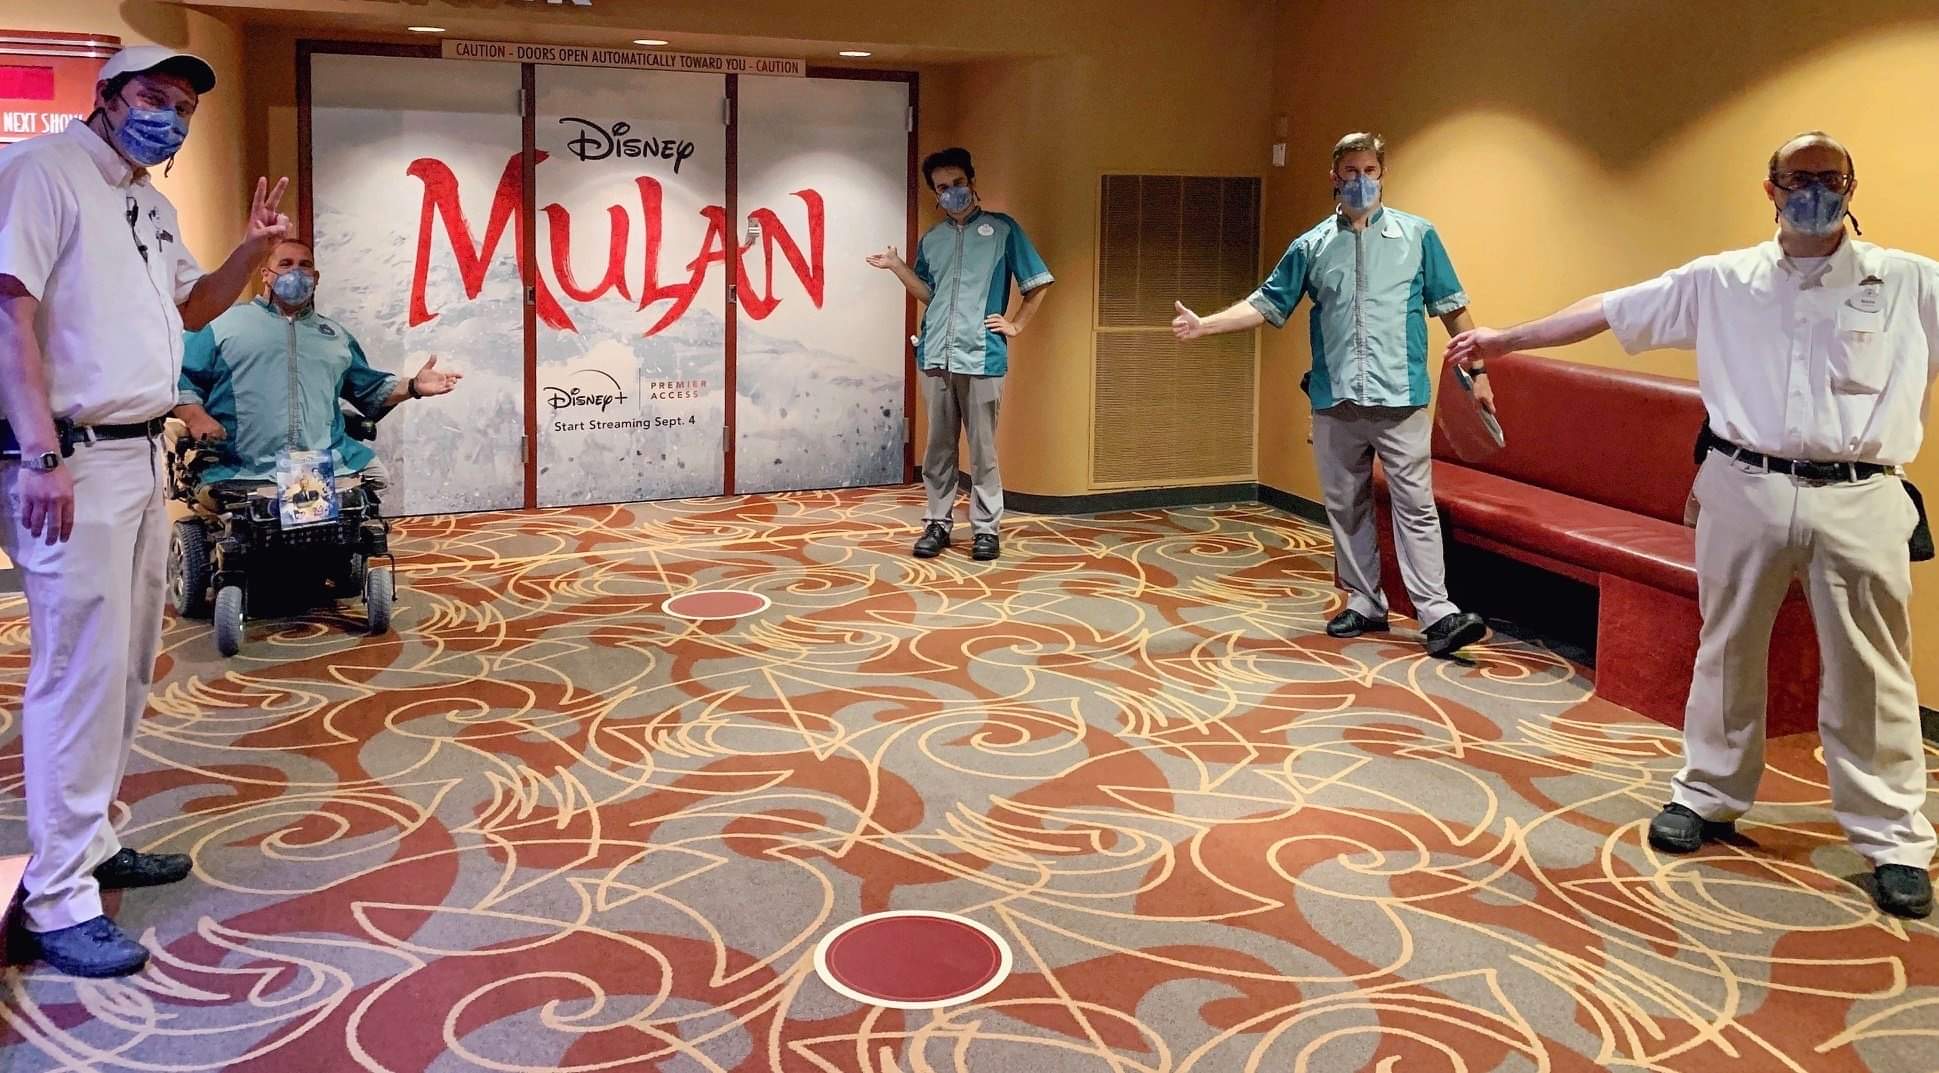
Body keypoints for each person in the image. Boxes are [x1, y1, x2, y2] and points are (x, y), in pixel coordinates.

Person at [1444, 131, 1936, 920]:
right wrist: (1505, 339)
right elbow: (1608, 310)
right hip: (1743, 484)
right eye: (1798, 178)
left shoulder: (1909, 281)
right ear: (1770, 189)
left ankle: (1893, 839)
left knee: (1871, 670)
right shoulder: (1722, 280)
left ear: (1852, 186)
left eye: (1830, 177)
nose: (1815, 191)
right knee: (1725, 646)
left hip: (1861, 492)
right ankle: (1707, 794)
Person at [0, 45, 294, 976]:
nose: (169, 116)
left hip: (138, 454)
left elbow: (195, 307)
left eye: (183, 107)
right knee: (76, 671)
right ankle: (55, 896)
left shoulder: (147, 202)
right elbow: (8, 314)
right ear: (107, 96)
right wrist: (39, 452)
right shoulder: (41, 171)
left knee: (125, 666)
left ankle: (86, 843)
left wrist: (251, 251)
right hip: (70, 458)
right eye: (153, 96)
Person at [1173, 132, 1491, 658]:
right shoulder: (1312, 245)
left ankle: (1437, 613)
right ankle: (1365, 602)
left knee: (1415, 507)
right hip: (1335, 398)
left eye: (1370, 171)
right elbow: (1266, 304)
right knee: (1346, 506)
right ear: (1334, 177)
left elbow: (1453, 308)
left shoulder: (1418, 236)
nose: (1361, 181)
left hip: (1401, 397)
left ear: (1382, 174)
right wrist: (1205, 325)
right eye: (1351, 172)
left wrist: (1478, 372)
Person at [866, 147, 1054, 562]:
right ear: (935, 194)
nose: (951, 192)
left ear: (971, 182)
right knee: (938, 449)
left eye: (957, 183)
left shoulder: (1003, 230)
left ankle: (986, 529)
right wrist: (897, 266)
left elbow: (1038, 282)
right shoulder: (932, 239)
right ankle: (937, 522)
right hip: (935, 355)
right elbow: (928, 294)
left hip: (983, 356)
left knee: (983, 451)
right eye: (942, 187)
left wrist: (1016, 324)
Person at [174, 237, 463, 495]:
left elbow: (371, 389)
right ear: (265, 274)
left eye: (305, 266)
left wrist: (414, 386)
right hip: (242, 466)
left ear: (316, 277)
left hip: (320, 465)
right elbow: (177, 377)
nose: (295, 272)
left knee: (377, 480)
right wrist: (196, 418)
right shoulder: (222, 324)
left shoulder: (334, 336)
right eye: (285, 264)